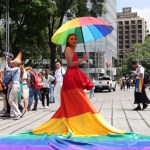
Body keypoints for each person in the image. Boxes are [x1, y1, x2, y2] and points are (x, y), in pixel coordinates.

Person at [32, 33, 124, 136]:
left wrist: (82, 59)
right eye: (71, 39)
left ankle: (82, 122)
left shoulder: (71, 50)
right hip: (71, 77)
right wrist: (83, 59)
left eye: (75, 39)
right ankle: (85, 122)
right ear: (68, 41)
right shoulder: (67, 49)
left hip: (73, 76)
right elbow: (70, 64)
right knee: (80, 100)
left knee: (76, 101)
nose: (74, 40)